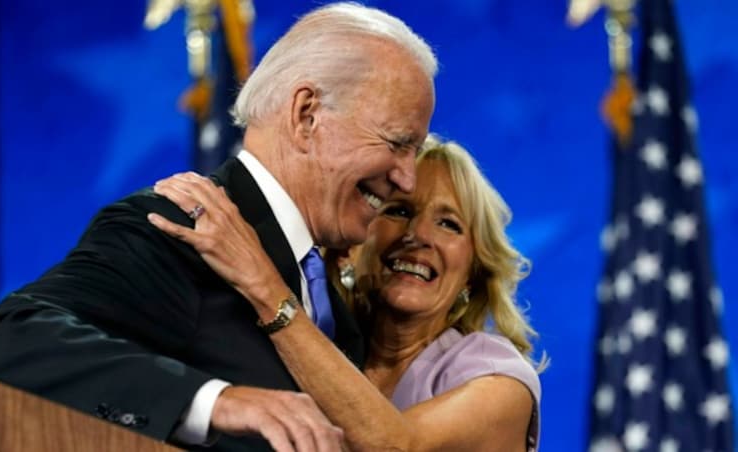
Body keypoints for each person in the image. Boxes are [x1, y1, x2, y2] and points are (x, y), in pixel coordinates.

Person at [0, 2, 437, 451]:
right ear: (306, 115)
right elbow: (13, 342)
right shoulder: (181, 227)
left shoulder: (331, 301)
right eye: (397, 143)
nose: (407, 178)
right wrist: (214, 400)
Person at [149, 135, 548, 451]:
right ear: (349, 251)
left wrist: (262, 284)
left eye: (449, 224)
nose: (418, 236)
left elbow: (395, 446)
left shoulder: (500, 382)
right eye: (399, 211)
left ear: (473, 276)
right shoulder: (317, 345)